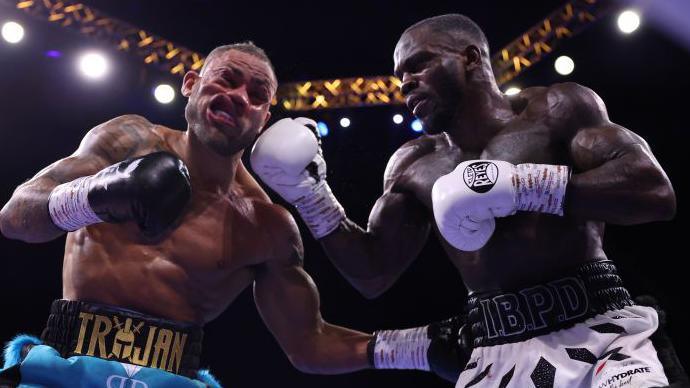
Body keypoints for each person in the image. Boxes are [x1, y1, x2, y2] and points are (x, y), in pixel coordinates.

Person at [250, 14, 689, 387]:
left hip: (603, 333)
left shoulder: (558, 108)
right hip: (497, 354)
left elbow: (654, 192)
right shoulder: (413, 164)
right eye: (401, 75)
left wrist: (523, 185)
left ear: (470, 58)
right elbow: (372, 272)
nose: (407, 82)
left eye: (419, 64)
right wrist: (312, 197)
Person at [0, 42, 373, 387]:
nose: (240, 97)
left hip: (171, 378)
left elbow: (310, 344)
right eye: (227, 80)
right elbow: (15, 216)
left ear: (264, 119)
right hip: (65, 369)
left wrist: (414, 346)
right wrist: (95, 195)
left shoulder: (266, 226)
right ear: (190, 84)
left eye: (257, 96)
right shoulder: (128, 141)